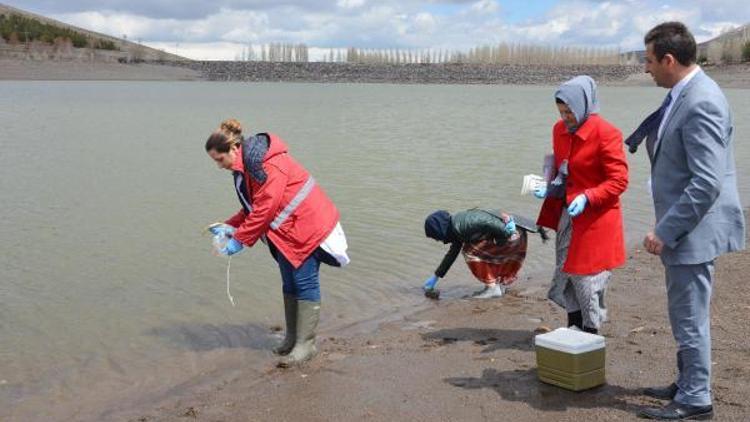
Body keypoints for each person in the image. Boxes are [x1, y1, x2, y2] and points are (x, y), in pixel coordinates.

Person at [626, 22, 744, 420]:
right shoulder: (686, 93)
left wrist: (665, 229)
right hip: (689, 227)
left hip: (693, 230)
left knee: (689, 314)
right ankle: (688, 379)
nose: (646, 68)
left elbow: (707, 182)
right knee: (685, 311)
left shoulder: (701, 101)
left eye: (649, 60)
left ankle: (695, 398)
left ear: (669, 60)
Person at [205, 118, 350, 366]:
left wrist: (239, 240)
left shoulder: (268, 163)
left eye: (220, 159)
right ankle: (292, 338)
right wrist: (230, 225)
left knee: (304, 283)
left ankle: (306, 345)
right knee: (289, 283)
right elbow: (252, 207)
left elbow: (266, 207)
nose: (219, 166)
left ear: (234, 149)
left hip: (307, 226)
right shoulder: (245, 169)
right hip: (286, 231)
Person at [535, 75, 629, 335]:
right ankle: (573, 325)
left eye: (570, 111)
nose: (566, 117)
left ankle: (590, 334)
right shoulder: (559, 130)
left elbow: (619, 181)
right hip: (568, 213)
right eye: (561, 112)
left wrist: (588, 196)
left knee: (587, 279)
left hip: (596, 218)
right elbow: (563, 171)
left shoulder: (606, 133)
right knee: (566, 271)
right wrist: (549, 186)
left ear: (585, 104)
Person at [422, 209, 548, 299]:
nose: (438, 240)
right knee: (474, 248)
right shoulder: (456, 226)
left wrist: (507, 234)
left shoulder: (462, 226)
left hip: (511, 235)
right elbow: (452, 254)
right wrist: (436, 276)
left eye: (436, 237)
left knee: (469, 252)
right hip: (511, 235)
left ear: (439, 230)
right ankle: (497, 286)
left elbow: (488, 222)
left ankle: (493, 288)